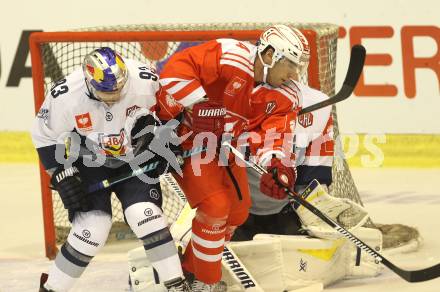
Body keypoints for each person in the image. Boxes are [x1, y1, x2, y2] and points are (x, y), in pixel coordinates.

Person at [156, 24, 310, 291]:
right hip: (184, 140)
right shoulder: (231, 55)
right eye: (290, 65)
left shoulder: (287, 94)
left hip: (225, 148)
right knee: (215, 207)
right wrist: (198, 104)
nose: (294, 74)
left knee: (237, 212)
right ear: (270, 54)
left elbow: (274, 135)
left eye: (298, 67)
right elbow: (174, 71)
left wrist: (276, 165)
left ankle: (189, 270)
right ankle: (207, 283)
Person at [32, 47, 190, 291]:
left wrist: (163, 140)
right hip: (88, 161)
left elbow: (172, 114)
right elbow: (44, 137)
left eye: (119, 87)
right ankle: (51, 288)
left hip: (134, 156)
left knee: (145, 215)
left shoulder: (144, 80)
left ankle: (177, 285)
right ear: (88, 81)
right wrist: (61, 175)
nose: (116, 94)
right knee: (91, 229)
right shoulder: (65, 95)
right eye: (107, 90)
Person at [232, 86, 335, 241]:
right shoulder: (230, 99)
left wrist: (315, 219)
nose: (292, 71)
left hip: (286, 211)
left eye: (295, 63)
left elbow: (313, 182)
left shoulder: (317, 106)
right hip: (235, 212)